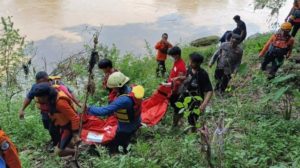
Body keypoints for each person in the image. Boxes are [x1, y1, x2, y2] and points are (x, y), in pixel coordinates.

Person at [18, 71, 77, 151]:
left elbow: (69, 93)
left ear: (48, 79)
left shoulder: (57, 87)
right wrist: (22, 109)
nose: (42, 84)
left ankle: (62, 144)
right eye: (39, 83)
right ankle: (57, 142)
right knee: (50, 128)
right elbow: (29, 97)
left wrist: (77, 103)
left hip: (59, 112)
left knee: (61, 127)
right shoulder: (36, 88)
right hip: (47, 112)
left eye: (44, 82)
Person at [88, 72, 144, 154]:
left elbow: (104, 111)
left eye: (114, 87)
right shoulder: (131, 89)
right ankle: (129, 141)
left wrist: (89, 109)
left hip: (126, 128)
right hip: (136, 120)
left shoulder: (123, 100)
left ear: (118, 87)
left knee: (114, 144)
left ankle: (123, 152)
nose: (113, 89)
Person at [32, 83, 80, 157]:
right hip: (62, 125)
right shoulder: (50, 100)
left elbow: (74, 117)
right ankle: (74, 152)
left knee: (58, 153)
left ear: (45, 96)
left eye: (39, 97)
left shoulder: (60, 102)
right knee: (68, 143)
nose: (38, 99)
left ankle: (76, 152)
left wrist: (75, 134)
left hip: (69, 127)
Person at [178, 53, 213, 132]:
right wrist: (181, 78)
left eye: (191, 62)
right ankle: (182, 122)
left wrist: (204, 104)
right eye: (190, 61)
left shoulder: (203, 74)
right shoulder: (189, 69)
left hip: (196, 101)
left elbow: (209, 90)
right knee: (182, 111)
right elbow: (187, 77)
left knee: (193, 118)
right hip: (185, 97)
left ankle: (193, 131)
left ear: (198, 63)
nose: (189, 63)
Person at [163, 46, 187, 127]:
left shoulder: (181, 65)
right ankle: (179, 117)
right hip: (171, 88)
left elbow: (179, 81)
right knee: (174, 105)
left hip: (176, 91)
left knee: (176, 107)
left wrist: (170, 85)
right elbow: (173, 74)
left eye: (172, 55)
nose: (171, 57)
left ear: (176, 55)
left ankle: (176, 123)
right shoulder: (176, 62)